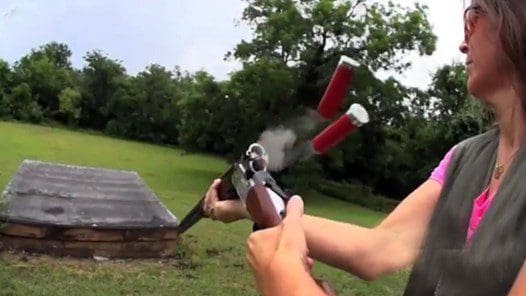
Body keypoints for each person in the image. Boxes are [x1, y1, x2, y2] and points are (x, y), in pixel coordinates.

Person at [202, 0, 526, 295]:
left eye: (474, 17)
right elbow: (379, 248)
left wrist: (289, 284)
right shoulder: (464, 157)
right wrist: (252, 205)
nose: (461, 43)